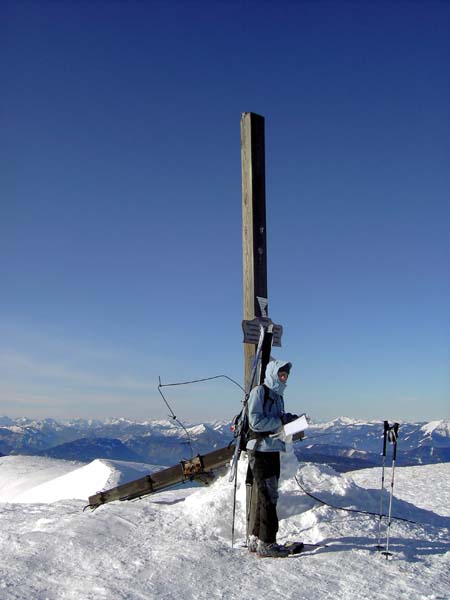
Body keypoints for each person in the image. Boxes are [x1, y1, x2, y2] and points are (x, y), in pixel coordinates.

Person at [245, 359, 299, 558]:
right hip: (260, 451)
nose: (284, 378)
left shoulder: (277, 396)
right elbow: (255, 421)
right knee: (269, 497)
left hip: (271, 449)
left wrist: (290, 419)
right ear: (273, 374)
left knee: (264, 496)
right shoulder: (260, 392)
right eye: (281, 374)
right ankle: (267, 543)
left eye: (286, 375)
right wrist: (280, 422)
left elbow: (276, 419)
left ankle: (256, 538)